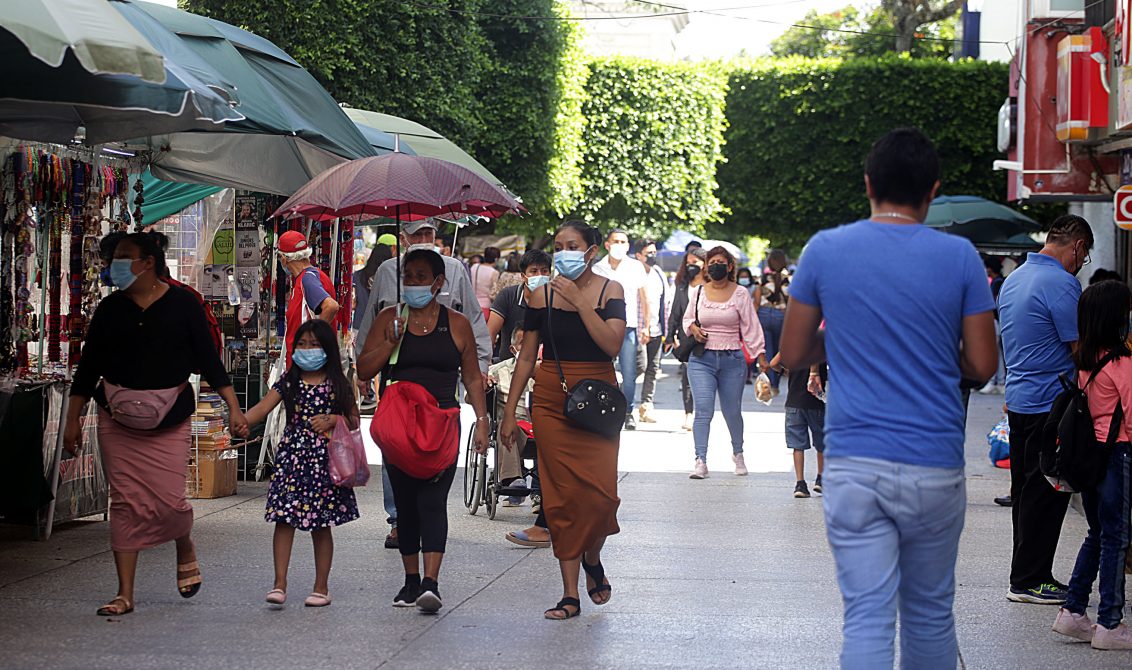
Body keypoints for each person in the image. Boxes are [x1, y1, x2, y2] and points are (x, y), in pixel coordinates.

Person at [781, 127, 998, 669]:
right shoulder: (962, 258)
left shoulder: (825, 250)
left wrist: (849, 336)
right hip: (934, 463)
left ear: (868, 183)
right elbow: (982, 364)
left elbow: (794, 350)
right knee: (928, 614)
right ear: (934, 190)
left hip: (855, 461)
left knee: (867, 617)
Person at [62, 232, 248, 617]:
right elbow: (89, 368)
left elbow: (210, 362)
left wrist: (234, 409)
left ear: (148, 262)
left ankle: (184, 541)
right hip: (116, 417)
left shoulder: (183, 304)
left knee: (169, 502)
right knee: (125, 502)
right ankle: (124, 593)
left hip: (170, 417)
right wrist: (73, 420)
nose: (115, 263)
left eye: (124, 256)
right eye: (114, 256)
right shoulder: (110, 309)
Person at [500, 220, 626, 620]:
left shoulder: (611, 290)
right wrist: (508, 410)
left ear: (591, 250)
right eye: (558, 245)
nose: (563, 253)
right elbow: (526, 355)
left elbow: (611, 344)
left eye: (573, 245)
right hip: (554, 398)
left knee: (602, 497)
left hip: (598, 399)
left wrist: (580, 300)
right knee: (561, 497)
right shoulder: (540, 296)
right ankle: (569, 593)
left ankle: (593, 556)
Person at [357, 248, 490, 614]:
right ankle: (411, 581)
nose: (413, 283)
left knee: (433, 502)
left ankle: (431, 583)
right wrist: (389, 341)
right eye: (408, 277)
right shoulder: (389, 317)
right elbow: (364, 369)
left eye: (420, 276)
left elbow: (473, 376)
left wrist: (482, 419)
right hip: (400, 428)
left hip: (442, 424)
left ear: (439, 282)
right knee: (406, 504)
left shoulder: (457, 323)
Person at [998, 213, 1094, 605]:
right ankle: (1031, 578)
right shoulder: (1061, 284)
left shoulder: (1014, 279)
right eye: (1082, 257)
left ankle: (1024, 573)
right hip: (1050, 405)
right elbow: (1080, 349)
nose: (1080, 264)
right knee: (1047, 491)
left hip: (1020, 398)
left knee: (1024, 491)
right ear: (1078, 247)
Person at [237, 320, 360, 608]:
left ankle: (321, 587)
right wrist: (240, 421)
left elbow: (354, 419)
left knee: (321, 525)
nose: (307, 350)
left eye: (314, 345)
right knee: (283, 519)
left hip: (324, 462)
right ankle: (279, 583)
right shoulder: (288, 381)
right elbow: (263, 407)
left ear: (327, 349)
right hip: (292, 459)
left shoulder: (338, 383)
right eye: (302, 344)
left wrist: (334, 420)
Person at [1051, 280, 1132, 650]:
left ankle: (1073, 612)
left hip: (1091, 456)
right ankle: (1110, 624)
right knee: (1116, 536)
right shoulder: (1122, 362)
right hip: (1119, 455)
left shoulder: (1084, 359)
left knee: (1098, 533)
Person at [683, 247, 767, 479]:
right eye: (712, 262)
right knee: (703, 410)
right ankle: (700, 460)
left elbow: (750, 326)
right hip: (702, 359)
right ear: (706, 266)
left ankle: (738, 453)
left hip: (732, 359)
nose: (715, 266)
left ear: (730, 267)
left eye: (721, 262)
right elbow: (688, 318)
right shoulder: (699, 291)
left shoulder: (740, 293)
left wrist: (760, 356)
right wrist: (694, 329)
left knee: (732, 411)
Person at [593, 228, 649, 430]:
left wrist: (646, 326)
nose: (619, 245)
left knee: (629, 372)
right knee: (602, 369)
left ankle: (628, 412)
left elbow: (644, 298)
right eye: (615, 241)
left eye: (623, 242)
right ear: (607, 245)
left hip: (630, 327)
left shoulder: (635, 267)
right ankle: (604, 408)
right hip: (603, 327)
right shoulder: (598, 268)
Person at [768, 353, 827, 498]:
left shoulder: (793, 346)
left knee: (797, 446)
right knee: (821, 444)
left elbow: (773, 363)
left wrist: (785, 372)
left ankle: (800, 483)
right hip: (816, 404)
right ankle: (821, 479)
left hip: (794, 403)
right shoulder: (820, 347)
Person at [277, 230, 340, 366]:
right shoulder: (311, 277)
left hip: (308, 368)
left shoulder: (307, 279)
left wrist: (311, 341)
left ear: (284, 258)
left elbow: (331, 306)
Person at [666, 247, 707, 432]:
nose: (691, 266)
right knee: (687, 376)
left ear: (704, 264)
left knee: (705, 377)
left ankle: (703, 413)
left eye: (695, 263)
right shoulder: (682, 285)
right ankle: (689, 413)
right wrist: (670, 336)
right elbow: (675, 311)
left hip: (707, 337)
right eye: (688, 263)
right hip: (685, 337)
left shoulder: (710, 285)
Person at [353, 236, 396, 410]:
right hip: (383, 329)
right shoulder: (389, 278)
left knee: (366, 362)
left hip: (359, 325)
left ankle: (369, 393)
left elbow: (353, 302)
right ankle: (378, 398)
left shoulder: (358, 276)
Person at [488, 249, 552, 362]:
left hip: (545, 366)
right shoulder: (507, 296)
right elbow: (490, 333)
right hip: (508, 366)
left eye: (544, 271)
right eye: (534, 271)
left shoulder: (555, 300)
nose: (539, 275)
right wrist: (485, 365)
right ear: (523, 276)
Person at [634, 240, 668, 423]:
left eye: (655, 252)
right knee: (640, 366)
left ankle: (646, 405)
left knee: (653, 369)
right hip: (637, 329)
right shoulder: (632, 274)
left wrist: (668, 331)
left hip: (656, 329)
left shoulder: (658, 274)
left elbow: (666, 304)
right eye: (649, 252)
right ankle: (625, 398)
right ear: (639, 255)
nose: (652, 256)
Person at [758, 249, 790, 393]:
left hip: (764, 314)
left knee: (768, 349)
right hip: (781, 315)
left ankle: (769, 383)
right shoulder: (789, 280)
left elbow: (757, 299)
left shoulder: (763, 279)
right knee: (779, 350)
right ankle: (776, 385)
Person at [472, 246, 500, 319]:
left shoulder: (474, 267)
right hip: (485, 307)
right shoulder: (494, 273)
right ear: (496, 259)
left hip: (471, 305)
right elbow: (494, 293)